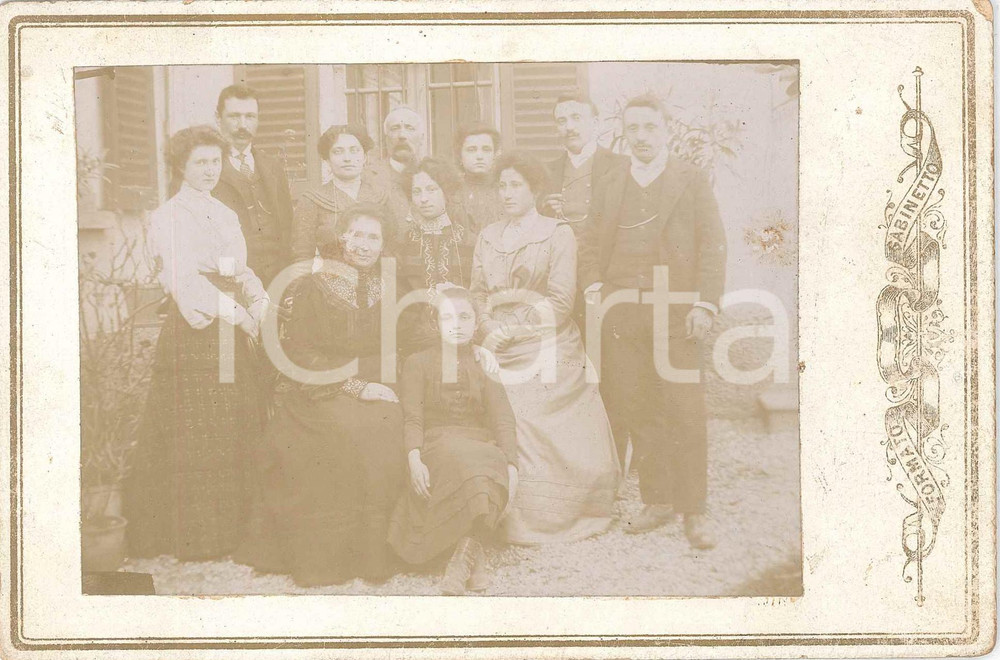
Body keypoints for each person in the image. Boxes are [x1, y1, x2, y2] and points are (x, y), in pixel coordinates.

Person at [579, 94, 727, 549]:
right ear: (624, 132)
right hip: (622, 312)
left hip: (676, 310)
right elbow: (589, 242)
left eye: (650, 127)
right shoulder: (609, 179)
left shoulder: (690, 178)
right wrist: (594, 289)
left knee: (685, 410)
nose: (641, 137)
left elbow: (712, 244)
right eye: (634, 128)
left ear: (665, 129)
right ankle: (658, 500)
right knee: (637, 408)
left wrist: (705, 305)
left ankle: (694, 510)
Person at [234, 205, 406, 586]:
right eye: (357, 235)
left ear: (384, 244)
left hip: (376, 383)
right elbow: (299, 350)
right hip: (317, 388)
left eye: (373, 237)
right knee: (348, 431)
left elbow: (408, 338)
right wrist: (356, 387)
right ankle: (327, 559)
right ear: (342, 237)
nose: (363, 245)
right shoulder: (315, 285)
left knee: (389, 423)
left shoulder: (391, 285)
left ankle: (375, 554)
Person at [125, 125, 269, 560]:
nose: (210, 170)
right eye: (200, 162)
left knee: (233, 423)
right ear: (181, 167)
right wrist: (240, 316)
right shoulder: (168, 217)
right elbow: (186, 284)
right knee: (199, 430)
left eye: (215, 161)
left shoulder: (225, 213)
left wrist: (258, 300)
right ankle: (200, 537)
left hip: (231, 326)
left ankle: (236, 531)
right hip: (199, 333)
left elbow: (236, 269)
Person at [470, 151, 621, 545]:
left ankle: (559, 511)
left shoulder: (558, 233)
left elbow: (558, 301)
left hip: (546, 341)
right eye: (502, 186)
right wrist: (490, 329)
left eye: (515, 185)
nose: (506, 193)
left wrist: (514, 332)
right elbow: (477, 294)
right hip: (497, 339)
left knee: (530, 407)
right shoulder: (487, 237)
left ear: (535, 189)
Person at [388, 287, 518, 595]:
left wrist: (512, 466)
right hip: (437, 445)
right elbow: (413, 417)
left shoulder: (484, 363)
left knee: (485, 458)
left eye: (464, 316)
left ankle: (463, 558)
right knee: (460, 456)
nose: (456, 324)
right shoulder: (418, 362)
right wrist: (414, 457)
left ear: (475, 323)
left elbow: (503, 418)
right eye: (447, 317)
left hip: (479, 444)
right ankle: (477, 556)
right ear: (436, 323)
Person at [212, 84, 294, 289]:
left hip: (275, 279)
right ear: (218, 118)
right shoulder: (207, 168)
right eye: (234, 116)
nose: (243, 125)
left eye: (250, 116)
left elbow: (286, 226)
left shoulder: (272, 167)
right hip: (230, 281)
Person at [396, 157, 478, 356]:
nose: (423, 198)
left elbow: (479, 292)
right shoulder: (402, 244)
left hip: (465, 339)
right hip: (416, 343)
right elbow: (399, 299)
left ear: (447, 191)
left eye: (431, 189)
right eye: (417, 191)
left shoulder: (469, 240)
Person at [289, 124, 389, 267]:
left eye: (354, 151)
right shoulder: (312, 200)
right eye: (338, 152)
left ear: (365, 157)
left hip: (378, 283)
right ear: (327, 159)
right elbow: (301, 256)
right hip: (332, 283)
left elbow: (391, 253)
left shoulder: (381, 196)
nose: (347, 158)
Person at [368, 105, 425, 238]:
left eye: (410, 128)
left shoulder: (435, 176)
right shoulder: (368, 178)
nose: (402, 136)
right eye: (395, 129)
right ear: (386, 139)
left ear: (421, 138)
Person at [454, 122, 503, 236]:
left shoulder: (506, 191)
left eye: (486, 150)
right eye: (471, 150)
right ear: (460, 155)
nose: (479, 156)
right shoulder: (451, 193)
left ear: (495, 155)